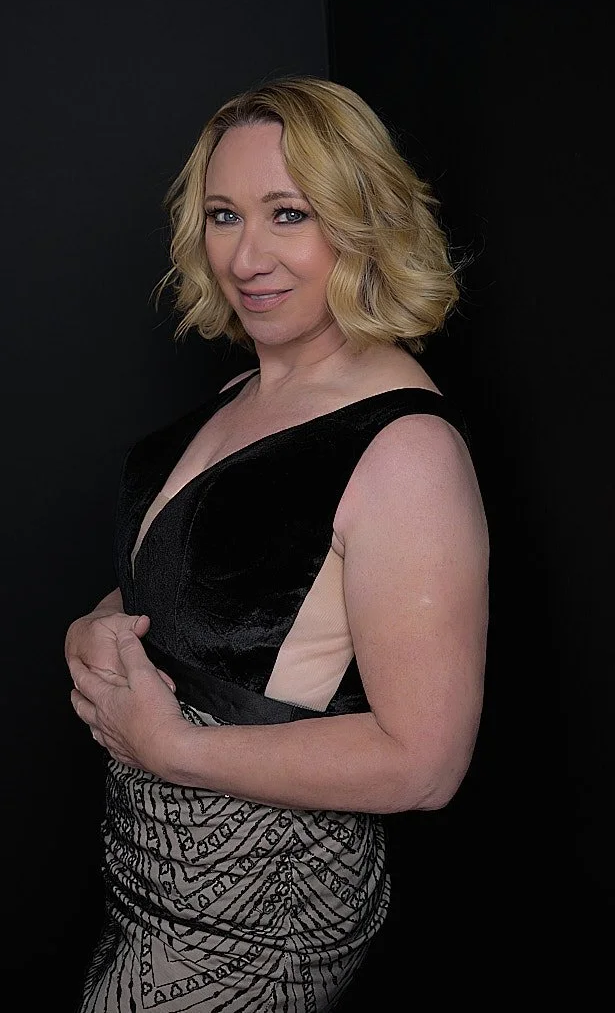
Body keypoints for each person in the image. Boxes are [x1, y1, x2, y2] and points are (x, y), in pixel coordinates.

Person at [65, 75, 489, 1012]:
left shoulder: (403, 450)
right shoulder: (241, 396)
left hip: (259, 914)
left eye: (286, 213)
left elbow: (422, 763)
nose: (245, 255)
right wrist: (94, 628)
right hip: (156, 887)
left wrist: (166, 746)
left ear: (361, 222)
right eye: (223, 215)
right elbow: (193, 597)